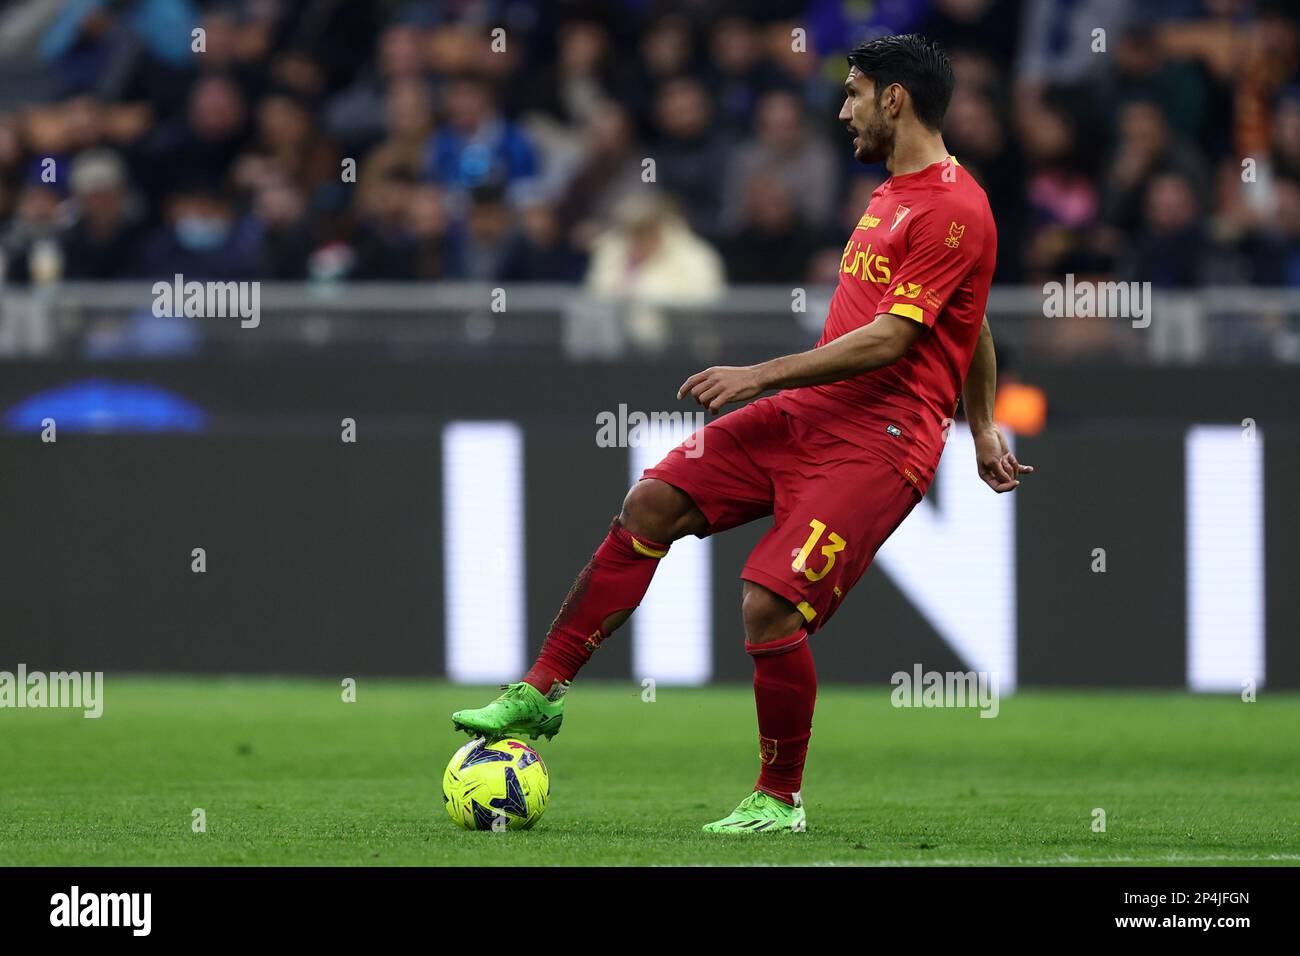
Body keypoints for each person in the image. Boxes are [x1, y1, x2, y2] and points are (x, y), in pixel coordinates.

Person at [451, 34, 1032, 834]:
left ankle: (779, 799)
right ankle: (541, 690)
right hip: (811, 416)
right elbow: (974, 321)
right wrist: (987, 425)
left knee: (769, 606)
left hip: (879, 440)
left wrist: (762, 374)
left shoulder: (956, 206)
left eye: (855, 92)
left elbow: (898, 339)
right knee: (651, 502)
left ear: (895, 99)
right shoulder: (892, 193)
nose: (843, 109)